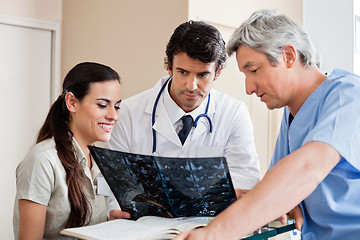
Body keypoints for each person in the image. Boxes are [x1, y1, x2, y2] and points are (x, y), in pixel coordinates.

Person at [175, 9, 360, 240]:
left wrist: (215, 233)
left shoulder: (350, 96)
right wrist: (287, 200)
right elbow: (279, 181)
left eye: (254, 70)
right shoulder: (292, 113)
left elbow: (305, 169)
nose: (248, 88)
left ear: (289, 56)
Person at [106, 20, 261, 206]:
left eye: (203, 75)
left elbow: (245, 179)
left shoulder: (234, 113)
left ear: (217, 72)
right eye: (182, 72)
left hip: (210, 226)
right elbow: (114, 186)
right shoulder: (127, 114)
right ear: (169, 66)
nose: (191, 86)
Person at [13, 62, 129, 240]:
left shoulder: (101, 160)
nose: (113, 115)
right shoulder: (43, 160)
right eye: (102, 105)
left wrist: (107, 221)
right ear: (72, 102)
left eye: (117, 106)